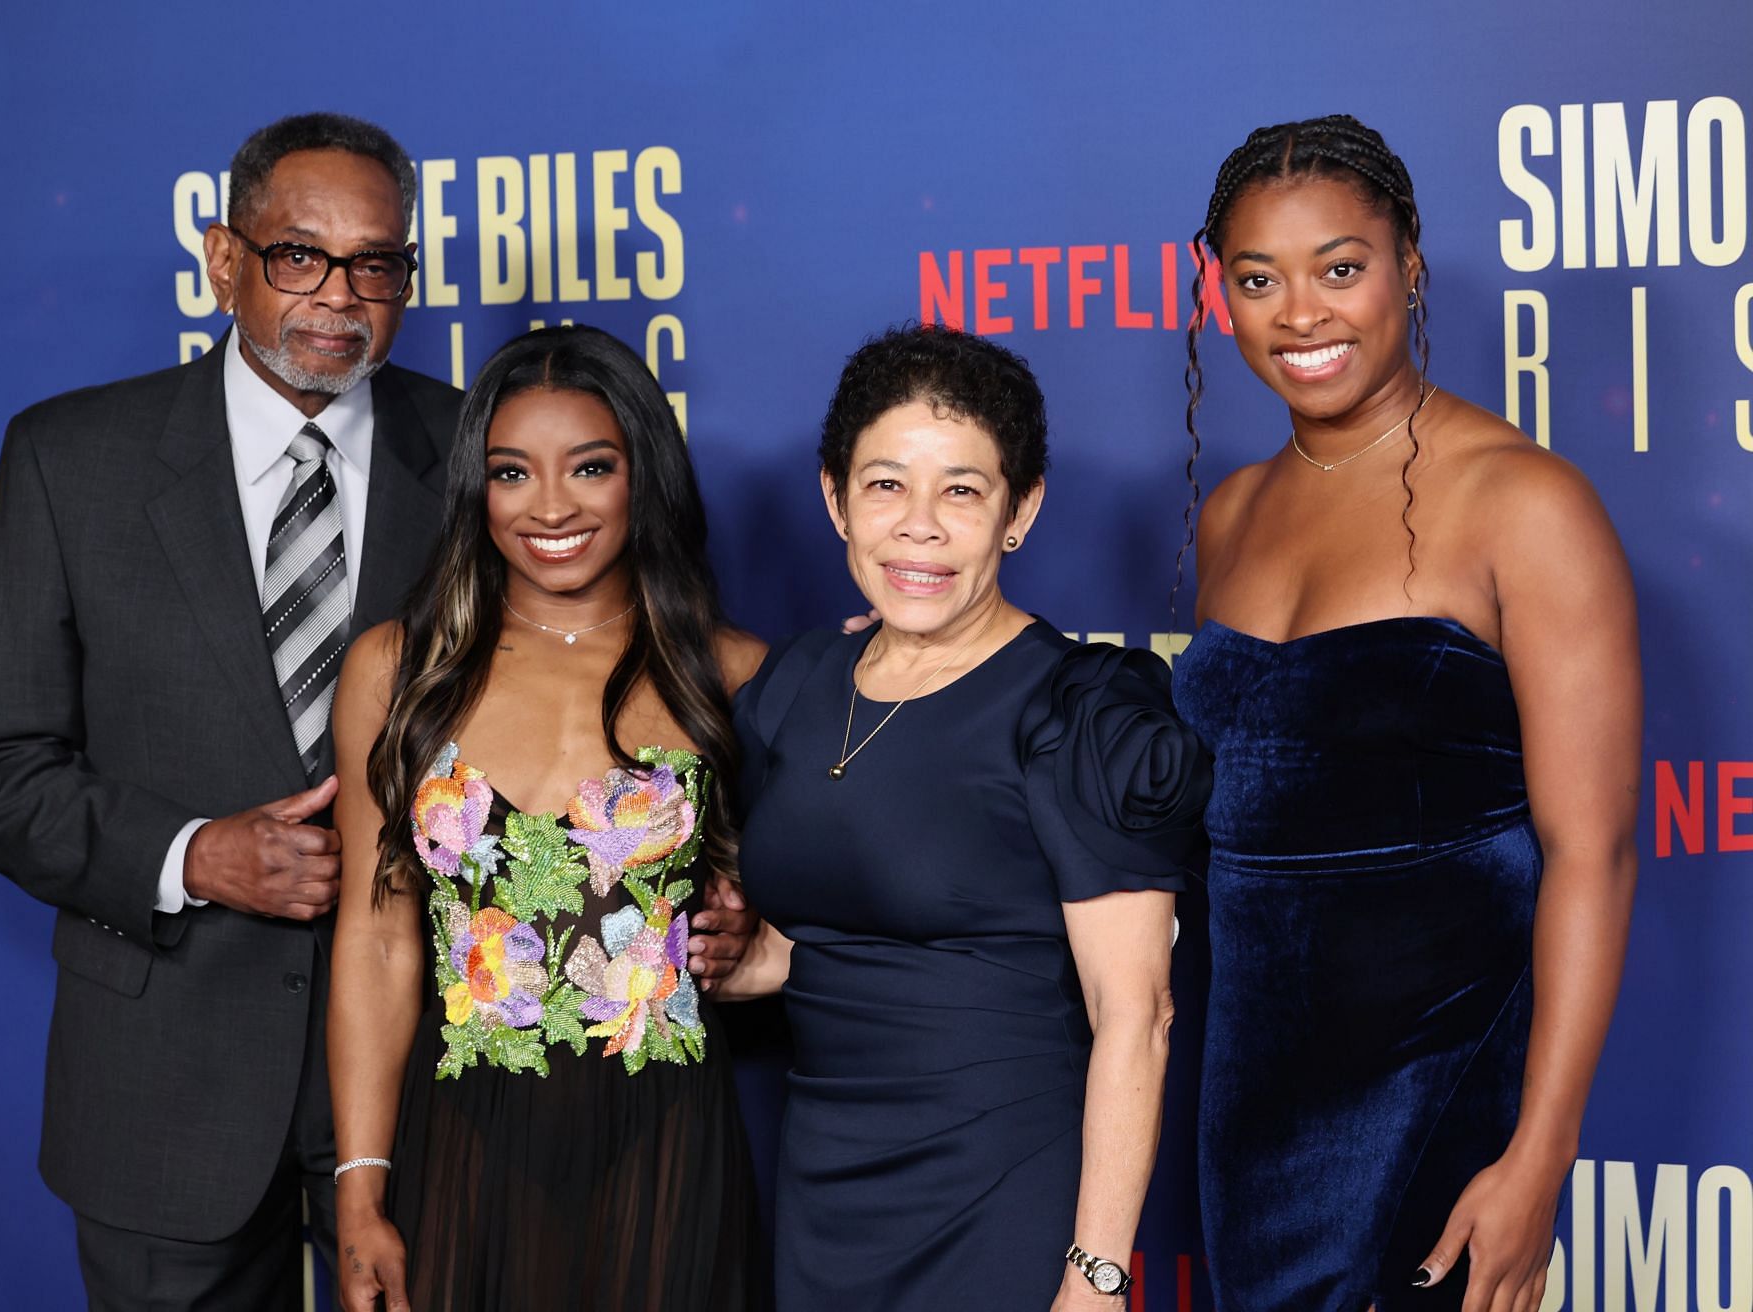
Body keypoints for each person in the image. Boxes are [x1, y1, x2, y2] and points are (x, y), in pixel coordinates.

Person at [0, 112, 459, 1304]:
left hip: (432, 1077)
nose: (339, 295)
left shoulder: (480, 456)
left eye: (377, 263)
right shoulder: (73, 460)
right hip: (163, 1086)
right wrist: (193, 855)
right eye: (298, 255)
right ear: (225, 259)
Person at [1173, 115, 1639, 1312]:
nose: (1302, 314)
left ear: (1410, 267)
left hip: (1434, 1096)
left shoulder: (1525, 503)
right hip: (1249, 1105)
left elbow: (1593, 854)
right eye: (1258, 279)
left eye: (1342, 267)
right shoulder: (1230, 512)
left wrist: (1540, 1156)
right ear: (1217, 293)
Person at [712, 325, 1210, 1310]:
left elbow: (1137, 1015)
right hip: (824, 1188)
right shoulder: (795, 686)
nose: (920, 527)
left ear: (1020, 509)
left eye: (964, 490)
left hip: (1000, 1191)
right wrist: (718, 958)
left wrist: (1096, 1275)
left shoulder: (1079, 712)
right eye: (887, 484)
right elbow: (802, 946)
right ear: (835, 498)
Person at [326, 324, 765, 1312]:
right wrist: (361, 1198)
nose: (552, 505)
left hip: (669, 1150)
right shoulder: (396, 671)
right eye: (512, 472)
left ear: (640, 473)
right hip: (461, 1145)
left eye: (591, 467)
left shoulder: (733, 674)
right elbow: (377, 938)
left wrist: (750, 935)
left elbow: (810, 919)